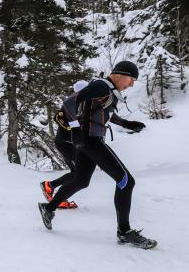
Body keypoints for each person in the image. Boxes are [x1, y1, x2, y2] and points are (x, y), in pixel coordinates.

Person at [38, 61, 157, 249]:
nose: (131, 84)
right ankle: (124, 232)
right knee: (126, 181)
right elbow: (69, 102)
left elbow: (103, 115)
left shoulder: (108, 91)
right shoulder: (101, 86)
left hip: (89, 141)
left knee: (81, 180)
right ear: (120, 74)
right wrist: (76, 129)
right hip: (90, 140)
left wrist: (127, 124)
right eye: (131, 79)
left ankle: (48, 208)